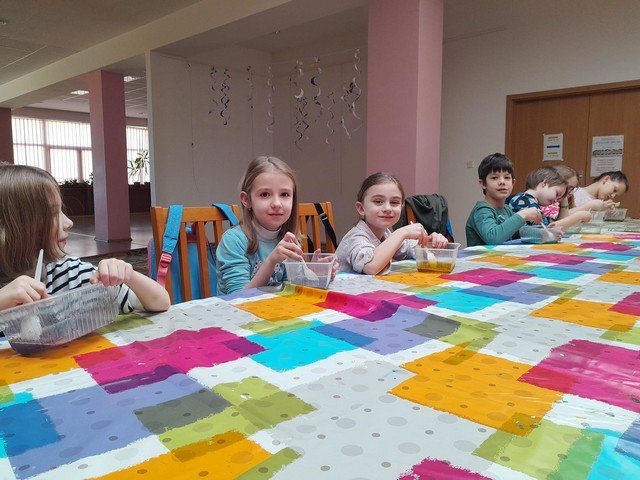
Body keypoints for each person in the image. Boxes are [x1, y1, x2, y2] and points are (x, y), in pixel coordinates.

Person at [0, 164, 170, 313]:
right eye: (52, 213)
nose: (69, 222)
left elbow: (160, 303)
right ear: (10, 227)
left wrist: (129, 275)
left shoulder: (71, 274)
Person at [216, 156, 316, 294]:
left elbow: (293, 289)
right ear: (247, 200)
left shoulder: (288, 239)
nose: (277, 203)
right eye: (264, 194)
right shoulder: (233, 241)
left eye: (284, 194)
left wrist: (316, 273)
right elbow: (238, 298)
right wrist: (271, 262)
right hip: (236, 308)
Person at [336, 172, 448, 275]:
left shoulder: (386, 234)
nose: (388, 208)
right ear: (361, 208)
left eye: (394, 202)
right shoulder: (356, 238)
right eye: (378, 201)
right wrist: (401, 233)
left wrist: (431, 242)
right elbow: (371, 267)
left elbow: (412, 249)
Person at [465, 153, 540, 247]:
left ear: (513, 183)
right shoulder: (481, 211)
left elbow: (524, 233)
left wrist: (548, 231)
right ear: (483, 184)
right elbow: (493, 238)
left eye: (507, 177)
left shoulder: (507, 209)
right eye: (494, 178)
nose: (502, 182)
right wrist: (522, 215)